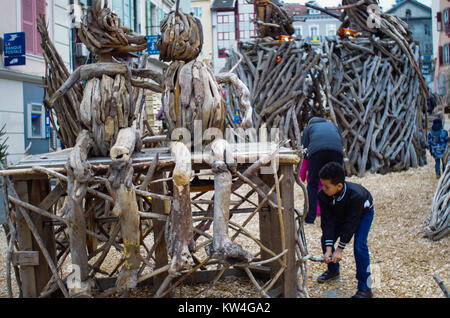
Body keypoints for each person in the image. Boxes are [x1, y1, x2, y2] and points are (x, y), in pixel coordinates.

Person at [316, 162, 375, 298]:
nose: (323, 189)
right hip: (341, 213)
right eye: (322, 185)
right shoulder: (323, 195)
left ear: (339, 186)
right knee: (325, 239)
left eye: (327, 186)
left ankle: (365, 288)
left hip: (362, 214)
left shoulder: (357, 195)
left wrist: (340, 249)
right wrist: (329, 250)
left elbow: (351, 224)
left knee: (360, 246)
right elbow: (327, 222)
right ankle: (333, 270)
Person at [301, 116, 344, 224]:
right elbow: (340, 143)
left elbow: (304, 150)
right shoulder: (333, 125)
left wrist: (305, 169)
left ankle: (310, 218)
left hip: (316, 153)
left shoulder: (309, 128)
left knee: (313, 184)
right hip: (336, 151)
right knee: (338, 182)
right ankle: (339, 215)